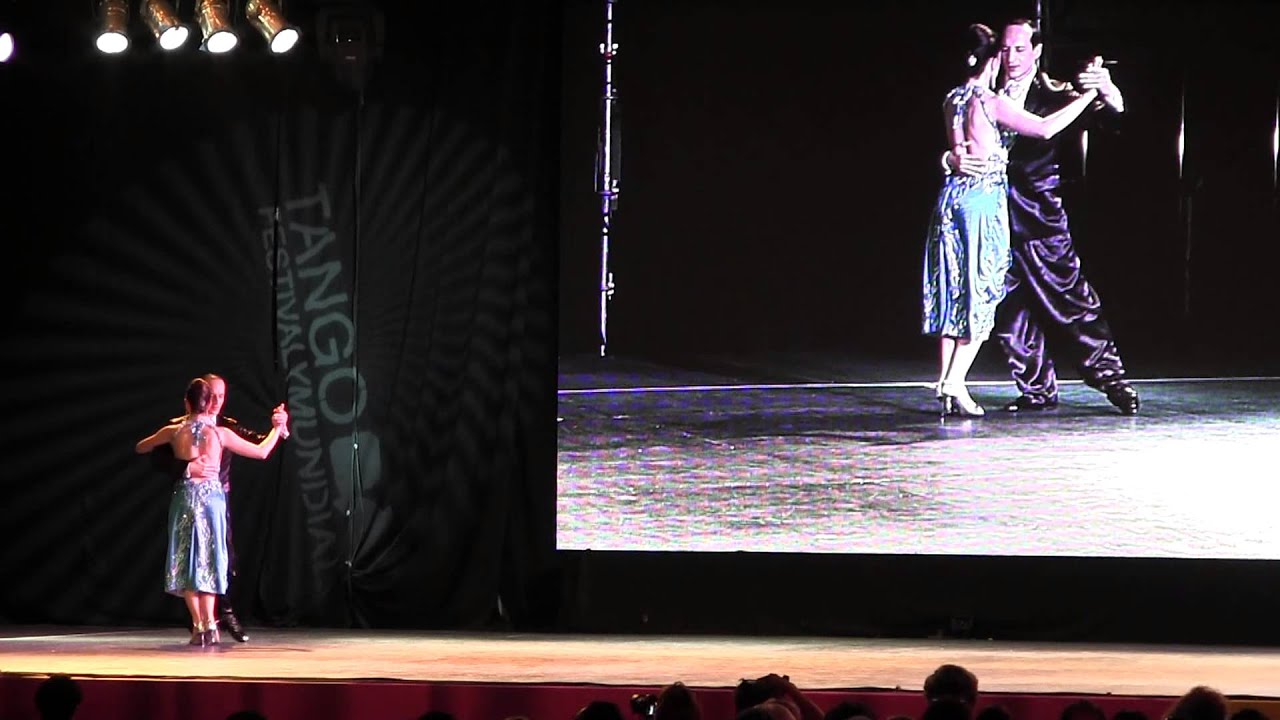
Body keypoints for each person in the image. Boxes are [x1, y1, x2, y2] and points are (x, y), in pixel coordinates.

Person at [949, 19, 1140, 415]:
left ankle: (1113, 379)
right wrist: (949, 159)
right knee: (1006, 310)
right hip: (992, 219)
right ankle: (1036, 389)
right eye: (1005, 49)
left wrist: (1107, 91)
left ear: (1036, 51)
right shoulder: (983, 90)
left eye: (1020, 49)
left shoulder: (1055, 93)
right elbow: (955, 140)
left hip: (1039, 218)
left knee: (1071, 302)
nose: (1012, 57)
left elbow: (1110, 120)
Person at [924, 23, 1098, 416]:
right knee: (983, 288)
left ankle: (946, 382)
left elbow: (956, 148)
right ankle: (955, 380)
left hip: (951, 198)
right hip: (983, 200)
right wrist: (1088, 96)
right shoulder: (988, 100)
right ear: (991, 59)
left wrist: (949, 159)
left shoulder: (952, 98)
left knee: (954, 289)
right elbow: (1044, 128)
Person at [135, 377, 286, 646]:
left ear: (187, 402)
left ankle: (199, 625)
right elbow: (262, 452)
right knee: (210, 559)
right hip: (212, 500)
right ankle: (211, 625)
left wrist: (179, 456)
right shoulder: (220, 434)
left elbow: (141, 446)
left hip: (185, 497)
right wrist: (277, 429)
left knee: (187, 560)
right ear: (208, 404)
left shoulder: (174, 431)